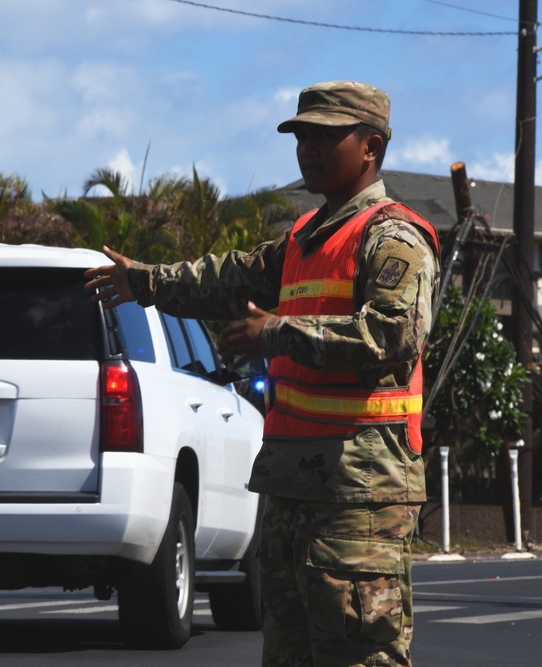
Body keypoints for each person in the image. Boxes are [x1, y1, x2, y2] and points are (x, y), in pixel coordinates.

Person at [84, 80, 440, 666]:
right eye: (302, 136)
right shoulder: (304, 238)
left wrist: (277, 333)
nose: (308, 149)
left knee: (360, 656)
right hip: (291, 487)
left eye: (326, 137)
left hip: (359, 493)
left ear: (371, 147)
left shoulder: (392, 236)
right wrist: (144, 282)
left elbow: (392, 337)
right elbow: (228, 277)